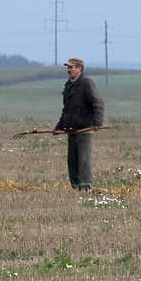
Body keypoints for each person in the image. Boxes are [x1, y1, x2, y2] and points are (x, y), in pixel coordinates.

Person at [54, 57, 104, 191]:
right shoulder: (68, 85)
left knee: (83, 160)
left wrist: (97, 123)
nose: (69, 70)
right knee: (72, 161)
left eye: (71, 67)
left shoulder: (87, 83)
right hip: (71, 129)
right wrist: (59, 126)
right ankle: (75, 187)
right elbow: (66, 110)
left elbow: (98, 103)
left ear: (79, 69)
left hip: (85, 129)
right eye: (68, 67)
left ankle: (86, 187)